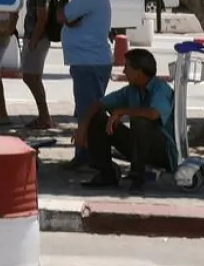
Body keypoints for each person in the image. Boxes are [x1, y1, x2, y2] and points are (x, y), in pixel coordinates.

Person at [74, 48, 178, 192]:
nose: (124, 71)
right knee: (98, 117)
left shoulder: (160, 89)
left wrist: (122, 111)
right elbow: (97, 104)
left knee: (140, 120)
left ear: (139, 72)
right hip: (138, 146)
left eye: (127, 67)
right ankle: (106, 173)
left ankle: (137, 176)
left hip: (162, 151)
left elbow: (154, 114)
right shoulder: (131, 90)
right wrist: (82, 128)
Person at [60, 0, 114, 167]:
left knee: (88, 112)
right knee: (88, 109)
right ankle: (89, 154)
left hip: (89, 61)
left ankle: (87, 156)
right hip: (88, 59)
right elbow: (70, 19)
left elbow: (62, 16)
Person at [21, 0, 54, 129]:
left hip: (38, 40)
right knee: (33, 78)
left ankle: (45, 116)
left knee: (30, 77)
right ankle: (43, 116)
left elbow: (42, 18)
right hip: (32, 38)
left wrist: (33, 40)